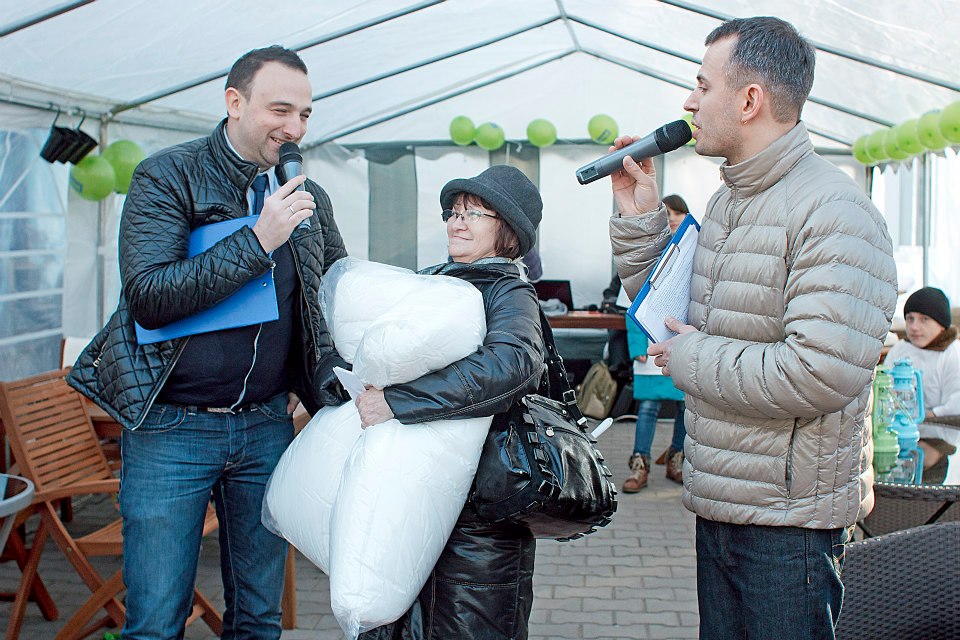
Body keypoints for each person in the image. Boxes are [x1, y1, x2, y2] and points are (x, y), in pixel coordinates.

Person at [607, 17, 898, 640]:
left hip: (788, 523)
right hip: (725, 500)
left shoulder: (834, 212)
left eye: (702, 85)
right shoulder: (729, 202)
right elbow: (678, 314)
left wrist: (689, 356)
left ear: (749, 100)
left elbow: (818, 373)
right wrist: (641, 222)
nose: (688, 103)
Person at [67, 46, 348, 638]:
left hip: (266, 425)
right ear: (234, 102)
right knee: (155, 622)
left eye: (304, 114)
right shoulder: (166, 175)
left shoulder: (308, 195)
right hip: (171, 427)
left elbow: (330, 295)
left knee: (260, 619)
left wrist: (321, 370)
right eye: (280, 110)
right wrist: (258, 240)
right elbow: (149, 296)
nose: (295, 129)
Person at [354, 165, 545, 640]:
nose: (457, 222)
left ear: (507, 231)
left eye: (473, 214)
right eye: (454, 213)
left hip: (477, 515)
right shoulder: (433, 279)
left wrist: (398, 401)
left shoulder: (509, 291)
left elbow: (512, 365)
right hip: (412, 490)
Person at [621, 194, 691, 493]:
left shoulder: (695, 251)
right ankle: (640, 466)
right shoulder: (648, 253)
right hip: (650, 343)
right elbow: (632, 301)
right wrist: (637, 345)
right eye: (667, 213)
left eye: (678, 212)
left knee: (684, 407)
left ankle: (677, 460)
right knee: (648, 406)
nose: (672, 218)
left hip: (684, 341)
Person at [883, 287, 960, 479]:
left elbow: (957, 401)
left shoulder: (953, 353)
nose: (914, 327)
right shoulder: (900, 349)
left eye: (924, 319)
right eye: (910, 318)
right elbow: (884, 387)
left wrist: (927, 416)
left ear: (942, 324)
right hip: (899, 432)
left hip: (941, 433)